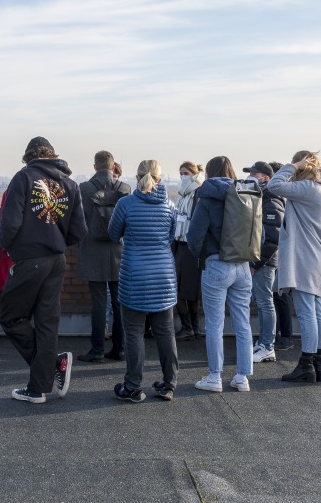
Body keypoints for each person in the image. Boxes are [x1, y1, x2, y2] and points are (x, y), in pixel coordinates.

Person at [0, 137, 87, 404]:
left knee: (11, 317)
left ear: (28, 156)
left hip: (29, 259)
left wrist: (10, 248)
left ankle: (46, 372)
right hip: (56, 260)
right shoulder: (70, 184)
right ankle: (39, 386)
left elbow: (10, 222)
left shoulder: (24, 178)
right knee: (47, 323)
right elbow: (79, 231)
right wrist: (57, 243)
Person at [107, 159, 178, 403]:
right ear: (160, 179)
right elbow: (171, 236)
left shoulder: (125, 203)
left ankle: (133, 387)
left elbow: (113, 234)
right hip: (164, 276)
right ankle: (169, 384)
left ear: (137, 178)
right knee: (166, 332)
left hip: (134, 276)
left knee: (134, 333)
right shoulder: (169, 205)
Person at [267, 151, 321, 383]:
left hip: (303, 256)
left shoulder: (307, 187)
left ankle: (307, 364)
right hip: (317, 254)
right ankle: (318, 364)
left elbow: (274, 186)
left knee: (307, 310)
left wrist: (292, 166)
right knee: (316, 309)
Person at [186, 156, 254, 393]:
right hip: (243, 266)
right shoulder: (246, 194)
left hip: (216, 264)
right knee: (242, 323)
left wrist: (205, 255)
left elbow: (193, 236)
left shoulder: (206, 196)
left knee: (215, 323)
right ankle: (242, 378)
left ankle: (215, 377)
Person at [75, 150, 130, 363]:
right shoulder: (125, 189)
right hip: (118, 250)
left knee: (98, 303)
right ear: (113, 166)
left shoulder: (84, 188)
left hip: (92, 249)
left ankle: (97, 350)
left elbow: (78, 220)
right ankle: (120, 349)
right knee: (119, 302)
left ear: (95, 166)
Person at [244, 161, 285, 364]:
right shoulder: (262, 197)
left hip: (264, 261)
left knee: (265, 302)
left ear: (266, 178)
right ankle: (263, 342)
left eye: (255, 174)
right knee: (261, 303)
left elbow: (271, 239)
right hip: (260, 260)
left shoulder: (271, 199)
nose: (251, 177)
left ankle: (268, 346)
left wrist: (256, 263)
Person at [172, 161, 205, 341]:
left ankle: (191, 327)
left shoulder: (197, 193)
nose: (182, 176)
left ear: (193, 174)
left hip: (190, 246)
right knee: (184, 288)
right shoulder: (184, 193)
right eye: (181, 173)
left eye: (185, 172)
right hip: (181, 243)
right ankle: (192, 327)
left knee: (187, 289)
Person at [268, 160, 295, 352]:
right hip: (283, 250)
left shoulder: (279, 194)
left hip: (280, 251)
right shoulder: (287, 194)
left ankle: (285, 336)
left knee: (280, 295)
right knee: (279, 295)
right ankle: (282, 335)